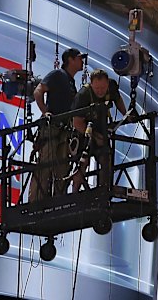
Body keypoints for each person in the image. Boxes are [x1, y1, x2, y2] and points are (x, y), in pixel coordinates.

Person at [28, 48, 86, 202]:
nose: (82, 62)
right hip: (52, 128)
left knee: (62, 167)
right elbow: (38, 91)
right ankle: (35, 203)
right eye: (80, 58)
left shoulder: (70, 81)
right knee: (45, 166)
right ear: (71, 59)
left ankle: (57, 201)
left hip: (64, 130)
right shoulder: (58, 74)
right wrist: (45, 111)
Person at [70, 68, 128, 193]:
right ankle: (75, 192)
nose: (100, 91)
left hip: (101, 128)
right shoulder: (83, 95)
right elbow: (77, 122)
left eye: (103, 88)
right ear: (91, 85)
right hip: (83, 131)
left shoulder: (112, 86)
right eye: (97, 89)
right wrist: (95, 137)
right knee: (83, 162)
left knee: (106, 159)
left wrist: (126, 114)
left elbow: (117, 98)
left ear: (107, 83)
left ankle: (103, 190)